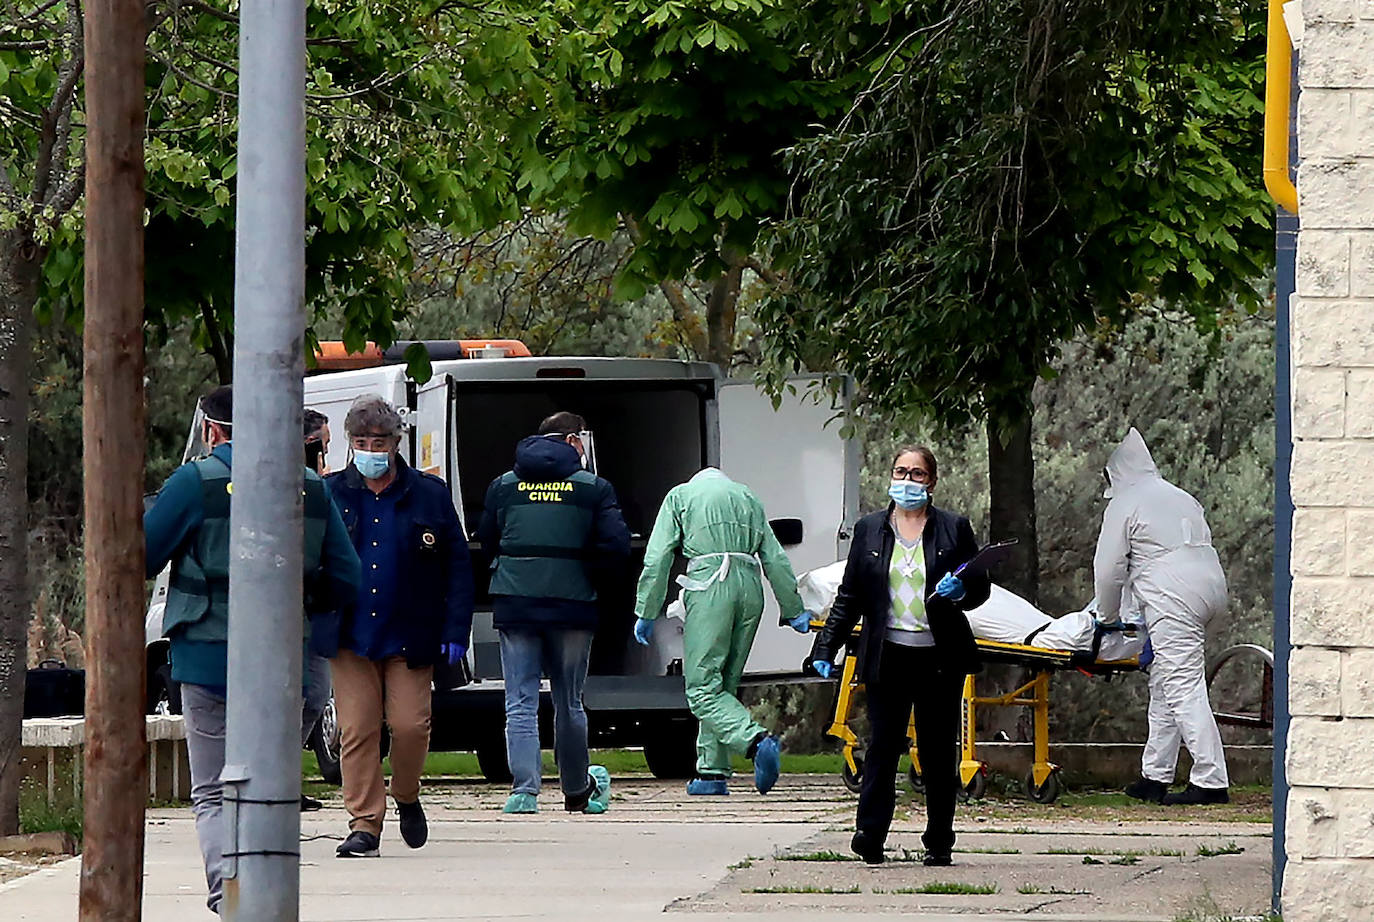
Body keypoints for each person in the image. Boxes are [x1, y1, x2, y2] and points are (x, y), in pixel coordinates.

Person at [144, 386, 360, 914]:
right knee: (268, 786)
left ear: (214, 432)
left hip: (208, 655)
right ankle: (268, 891)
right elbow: (347, 576)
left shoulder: (196, 482)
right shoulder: (309, 485)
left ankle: (228, 895)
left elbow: (144, 552)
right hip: (286, 661)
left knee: (214, 791)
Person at [810, 446, 989, 868]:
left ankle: (939, 839)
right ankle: (870, 834)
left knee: (938, 750)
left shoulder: (953, 528)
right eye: (900, 472)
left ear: (932, 482)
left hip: (938, 656)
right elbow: (850, 594)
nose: (908, 481)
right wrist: (825, 646)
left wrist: (961, 591)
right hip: (886, 654)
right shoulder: (871, 529)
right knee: (883, 747)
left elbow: (980, 585)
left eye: (918, 474)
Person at [312, 395, 475, 857]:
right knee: (357, 729)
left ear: (395, 442)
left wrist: (454, 630)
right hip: (349, 633)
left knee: (408, 726)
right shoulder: (331, 492)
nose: (369, 449)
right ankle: (364, 822)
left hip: (411, 631)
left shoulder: (429, 493)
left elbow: (457, 568)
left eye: (378, 441)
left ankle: (406, 794)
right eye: (360, 441)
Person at [476, 411, 630, 815]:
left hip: (516, 603)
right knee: (569, 701)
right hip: (574, 605)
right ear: (572, 441)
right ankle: (576, 789)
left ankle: (524, 791)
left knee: (520, 700)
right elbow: (615, 547)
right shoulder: (594, 488)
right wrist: (588, 578)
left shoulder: (504, 486)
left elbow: (487, 540)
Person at [631, 467, 809, 796]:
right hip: (749, 588)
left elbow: (657, 558)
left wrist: (646, 609)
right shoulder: (748, 498)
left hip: (711, 584)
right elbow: (775, 558)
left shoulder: (680, 496)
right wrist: (793, 609)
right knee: (723, 683)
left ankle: (755, 742)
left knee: (701, 689)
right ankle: (711, 773)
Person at [1096, 428, 1231, 806]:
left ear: (1117, 472)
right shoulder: (1180, 496)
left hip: (1173, 595)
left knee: (1182, 683)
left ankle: (1211, 779)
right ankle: (1155, 774)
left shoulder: (1125, 502)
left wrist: (1107, 619)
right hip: (1209, 588)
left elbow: (1108, 569)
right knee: (1165, 680)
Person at [300, 407, 333, 812]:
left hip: (315, 614)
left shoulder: (322, 489)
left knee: (315, 695)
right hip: (283, 616)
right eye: (321, 445)